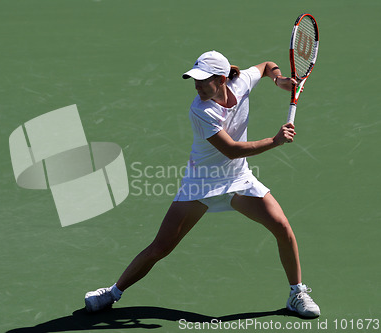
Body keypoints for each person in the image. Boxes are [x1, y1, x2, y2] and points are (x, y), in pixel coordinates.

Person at [84, 50, 320, 318]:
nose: (196, 86)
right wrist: (275, 141)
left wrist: (278, 79)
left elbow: (266, 66)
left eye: (202, 80)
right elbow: (230, 150)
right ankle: (112, 293)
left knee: (282, 227)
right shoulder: (201, 110)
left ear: (221, 79)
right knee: (160, 248)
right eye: (194, 79)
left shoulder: (241, 83)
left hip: (238, 180)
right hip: (201, 186)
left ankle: (297, 293)